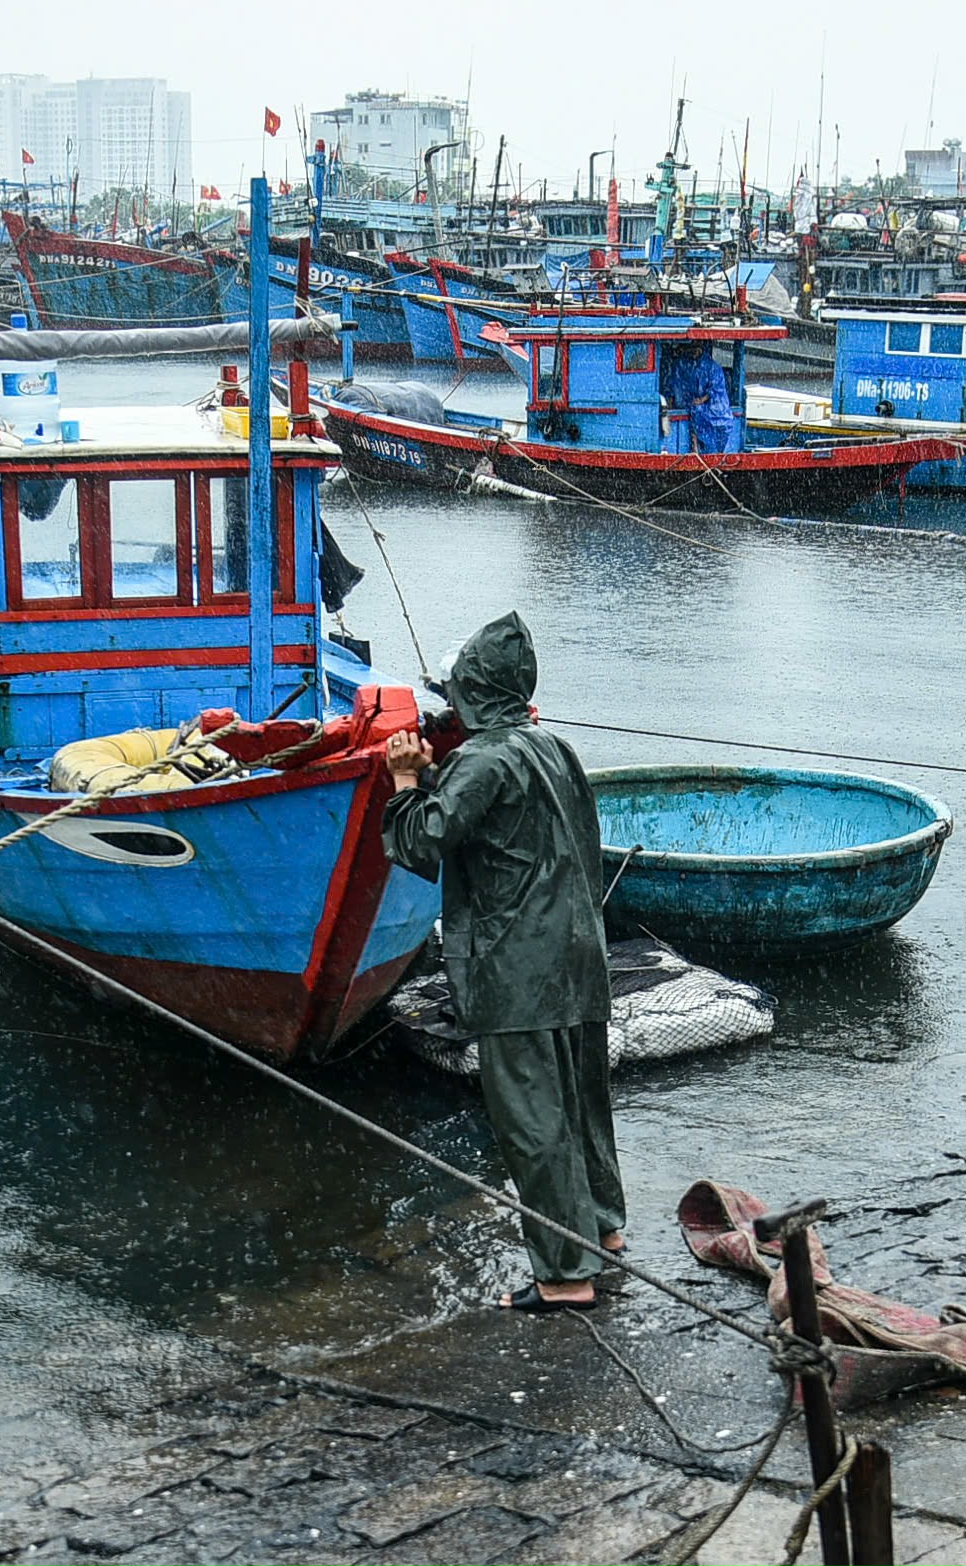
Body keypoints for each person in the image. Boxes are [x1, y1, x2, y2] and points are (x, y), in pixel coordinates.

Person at [382, 612, 624, 1314]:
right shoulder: (554, 748)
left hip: (517, 966)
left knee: (532, 1120)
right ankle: (602, 1232)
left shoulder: (481, 760)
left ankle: (564, 1275)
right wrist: (441, 776)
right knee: (582, 1107)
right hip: (578, 953)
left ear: (471, 691)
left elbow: (422, 842)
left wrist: (405, 780)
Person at [664, 342, 739, 454]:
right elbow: (677, 386)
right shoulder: (685, 365)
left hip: (715, 405)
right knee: (697, 412)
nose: (692, 354)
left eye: (695, 350)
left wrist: (702, 400)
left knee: (703, 414)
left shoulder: (712, 367)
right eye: (690, 351)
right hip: (700, 405)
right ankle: (699, 447)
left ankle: (704, 449)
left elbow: (716, 388)